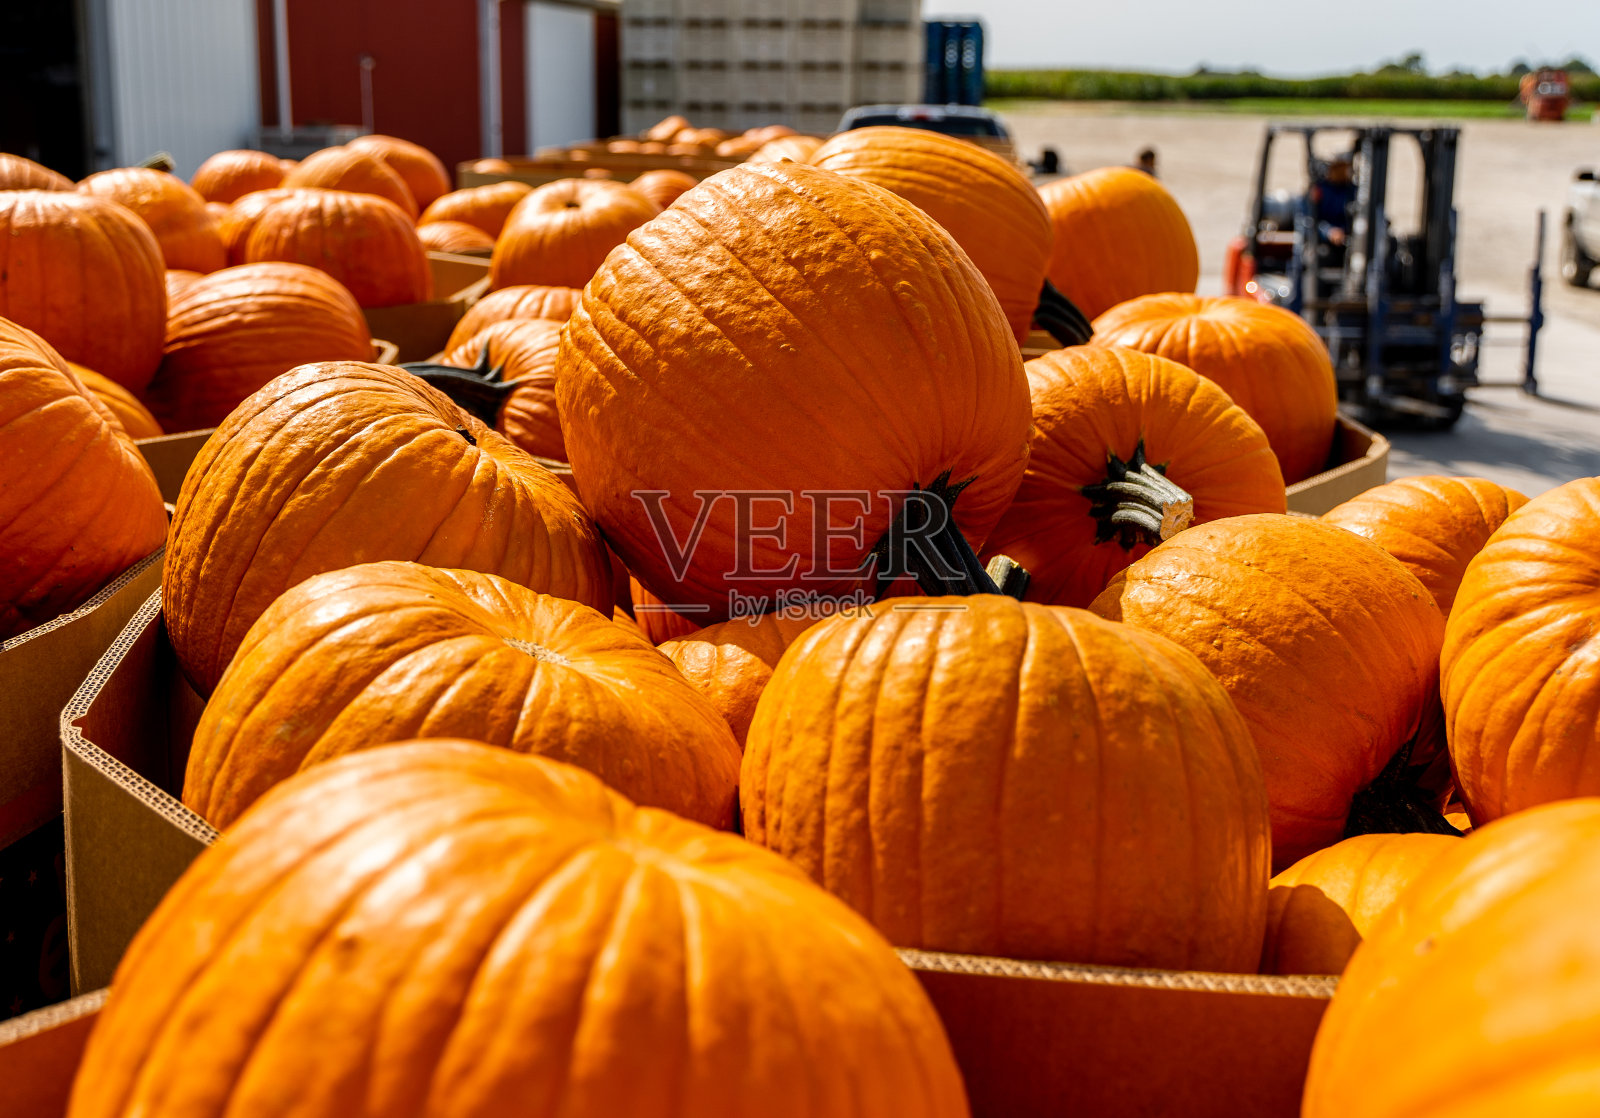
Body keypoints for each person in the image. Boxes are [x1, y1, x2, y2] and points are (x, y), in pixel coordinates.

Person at [1311, 156, 1356, 246]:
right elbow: (1311, 219)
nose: (1344, 171)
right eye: (1340, 167)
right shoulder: (1320, 190)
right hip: (1324, 242)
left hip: (1347, 239)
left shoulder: (1352, 190)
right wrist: (1328, 231)